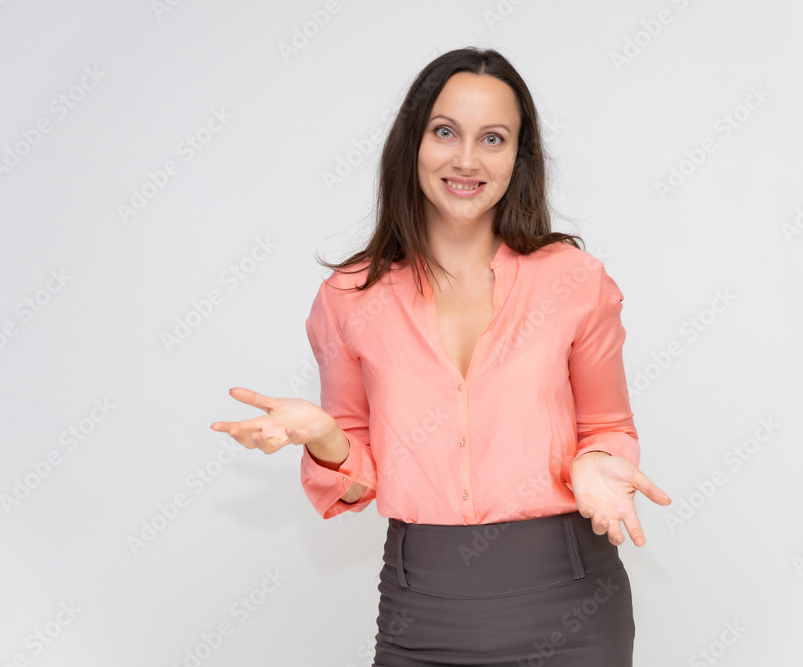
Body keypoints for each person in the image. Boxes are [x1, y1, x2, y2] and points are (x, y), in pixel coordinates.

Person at [211, 46, 671, 666]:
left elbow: (608, 426)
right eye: (446, 131)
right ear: (413, 143)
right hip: (420, 610)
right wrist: (325, 437)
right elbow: (359, 475)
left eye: (493, 138)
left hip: (571, 601)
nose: (466, 159)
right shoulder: (349, 298)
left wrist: (594, 462)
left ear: (518, 157)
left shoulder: (575, 281)